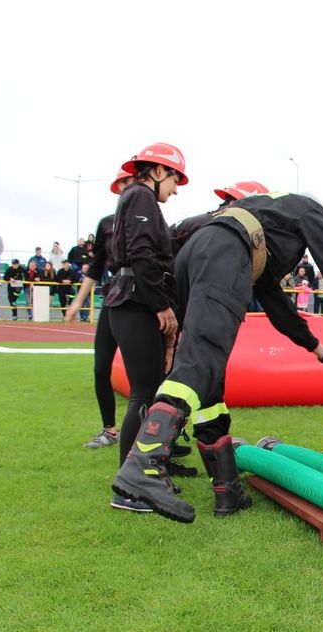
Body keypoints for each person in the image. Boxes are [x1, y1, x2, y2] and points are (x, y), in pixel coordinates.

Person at [112, 190, 323, 524]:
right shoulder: (304, 208)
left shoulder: (256, 234)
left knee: (209, 382)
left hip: (194, 256)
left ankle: (227, 490)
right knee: (201, 362)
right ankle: (143, 464)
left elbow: (277, 305)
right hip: (222, 255)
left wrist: (320, 351)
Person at [103, 142, 186, 475]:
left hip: (134, 300)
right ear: (159, 170)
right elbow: (141, 254)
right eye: (174, 181)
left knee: (150, 391)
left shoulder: (138, 198)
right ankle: (132, 478)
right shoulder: (141, 196)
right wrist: (162, 306)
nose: (175, 190)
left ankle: (150, 465)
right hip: (136, 302)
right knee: (143, 393)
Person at [66, 169, 132, 457]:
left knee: (142, 375)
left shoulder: (151, 220)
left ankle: (152, 432)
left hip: (139, 302)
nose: (129, 188)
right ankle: (109, 429)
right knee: (100, 367)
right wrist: (78, 302)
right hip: (112, 299)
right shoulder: (107, 224)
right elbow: (95, 267)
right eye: (125, 183)